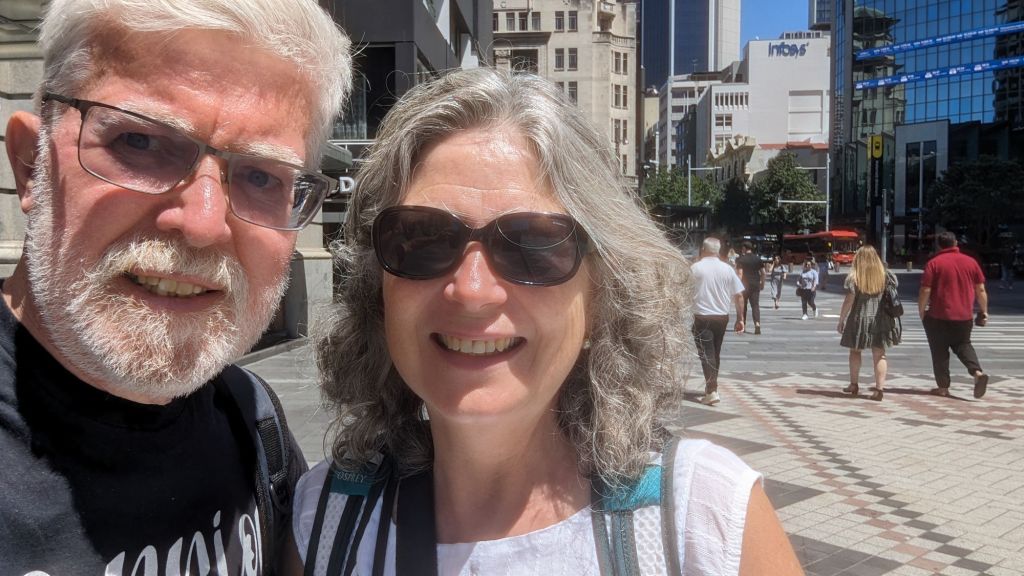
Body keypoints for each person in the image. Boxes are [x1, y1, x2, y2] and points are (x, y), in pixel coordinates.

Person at [293, 69, 801, 575]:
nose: (472, 290)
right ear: (377, 290)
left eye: (533, 245)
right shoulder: (323, 520)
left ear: (601, 294)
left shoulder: (705, 522)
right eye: (422, 239)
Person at [0, 0, 352, 573]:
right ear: (31, 165)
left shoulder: (252, 420)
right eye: (139, 142)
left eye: (261, 176)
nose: (203, 223)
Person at [919, 231, 991, 399]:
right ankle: (977, 373)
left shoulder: (934, 263)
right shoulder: (971, 262)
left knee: (939, 351)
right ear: (956, 243)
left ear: (939, 245)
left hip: (937, 315)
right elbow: (980, 289)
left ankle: (943, 387)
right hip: (964, 316)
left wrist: (921, 310)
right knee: (964, 345)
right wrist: (984, 311)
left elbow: (925, 289)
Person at [836, 246, 902, 401]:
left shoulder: (855, 276)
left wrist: (841, 319)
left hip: (860, 318)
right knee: (880, 355)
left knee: (855, 351)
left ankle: (854, 384)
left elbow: (849, 300)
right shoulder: (885, 275)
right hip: (882, 319)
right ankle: (879, 390)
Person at [691, 237, 746, 405]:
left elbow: (684, 290)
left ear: (703, 249)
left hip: (702, 316)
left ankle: (712, 390)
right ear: (718, 250)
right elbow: (739, 295)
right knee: (715, 352)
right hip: (722, 317)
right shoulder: (727, 269)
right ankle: (712, 387)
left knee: (707, 353)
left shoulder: (695, 268)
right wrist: (740, 318)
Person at [736, 241, 766, 334]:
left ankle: (743, 325)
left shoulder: (741, 259)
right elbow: (763, 273)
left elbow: (740, 274)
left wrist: (737, 286)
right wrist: (762, 283)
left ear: (744, 248)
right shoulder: (757, 259)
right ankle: (757, 323)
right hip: (755, 284)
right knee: (755, 305)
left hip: (744, 285)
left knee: (743, 305)